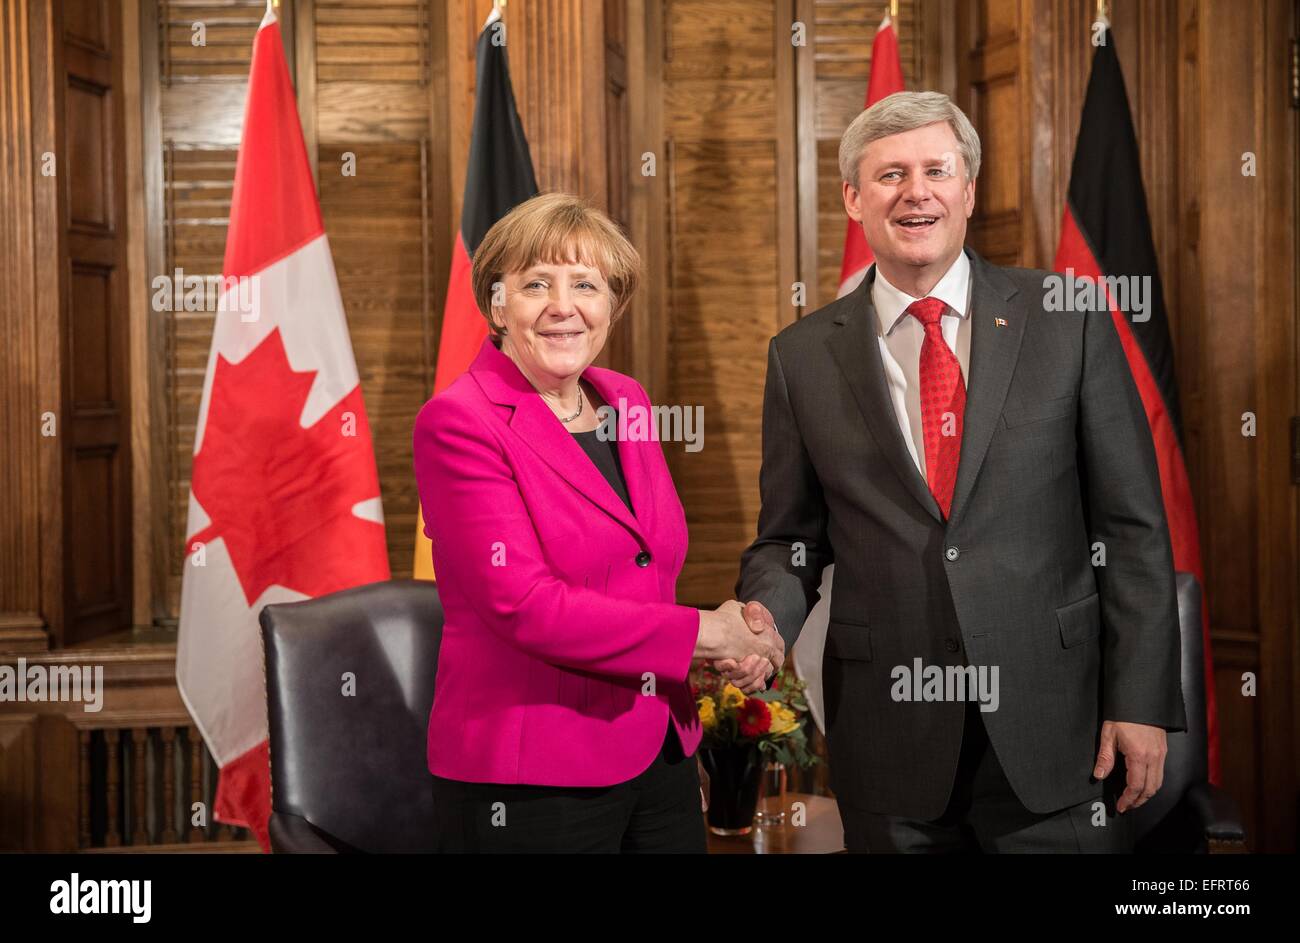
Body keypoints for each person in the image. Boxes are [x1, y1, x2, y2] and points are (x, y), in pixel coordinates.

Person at [728, 91, 1185, 852]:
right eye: (890, 175)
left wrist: (1140, 701)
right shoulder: (801, 356)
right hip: (888, 740)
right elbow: (789, 540)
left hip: (1058, 733)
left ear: (967, 190)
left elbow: (1131, 527)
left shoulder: (1066, 314)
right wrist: (762, 624)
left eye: (937, 170)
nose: (916, 192)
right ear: (853, 198)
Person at [413, 192, 783, 853]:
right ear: (498, 305)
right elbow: (525, 605)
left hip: (658, 748)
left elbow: (646, 572)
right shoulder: (458, 422)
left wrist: (729, 648)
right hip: (533, 775)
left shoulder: (626, 400)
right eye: (535, 284)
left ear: (610, 304)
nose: (564, 305)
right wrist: (703, 631)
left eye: (586, 283)